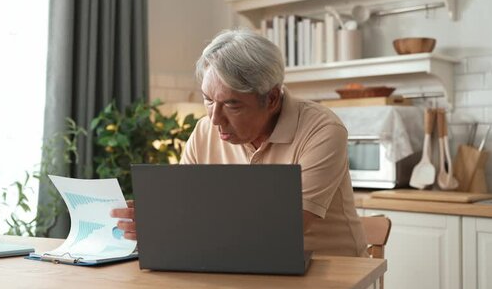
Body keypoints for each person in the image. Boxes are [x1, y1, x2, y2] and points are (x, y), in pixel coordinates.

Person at [111, 28, 367, 257]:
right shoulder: (204, 132)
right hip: (240, 267)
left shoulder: (322, 129)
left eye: (231, 104)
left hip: (332, 274)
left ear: (272, 99)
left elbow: (285, 228)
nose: (214, 119)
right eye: (208, 99)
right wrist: (157, 221)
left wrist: (177, 227)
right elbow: (185, 210)